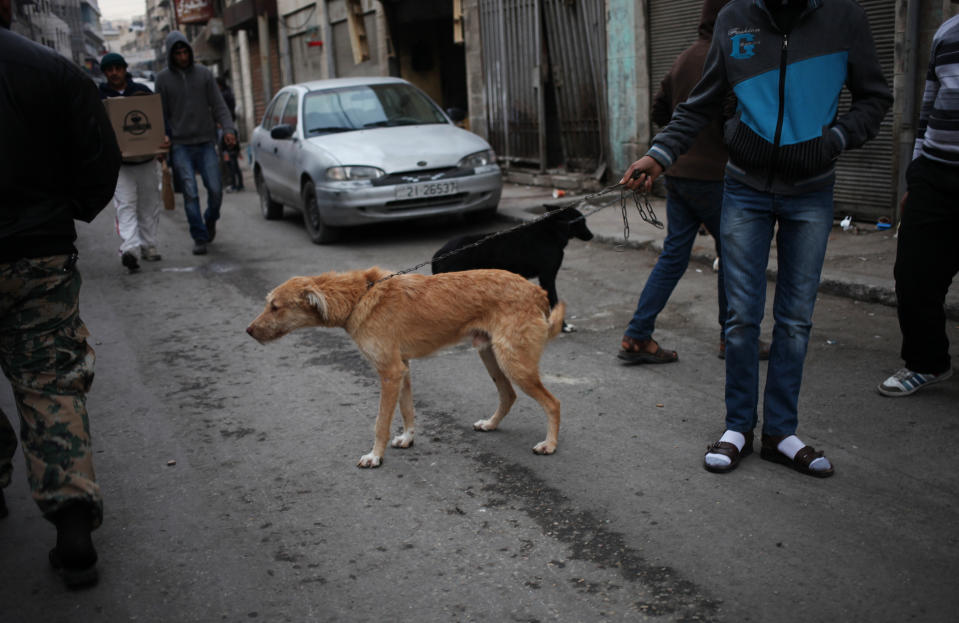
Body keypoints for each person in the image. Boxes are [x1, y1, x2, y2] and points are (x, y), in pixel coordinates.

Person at [622, 0, 892, 477]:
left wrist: (834, 140)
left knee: (794, 320)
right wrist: (659, 154)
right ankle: (738, 428)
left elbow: (874, 99)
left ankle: (780, 434)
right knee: (742, 318)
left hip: (810, 192)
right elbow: (700, 103)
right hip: (744, 188)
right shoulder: (735, 18)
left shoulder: (844, 17)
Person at [1, 0, 121, 587]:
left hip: (36, 240)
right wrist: (64, 214)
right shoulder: (54, 71)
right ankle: (72, 521)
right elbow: (101, 157)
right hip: (37, 255)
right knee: (50, 381)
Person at [619, 0, 772, 365]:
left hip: (678, 173)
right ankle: (729, 337)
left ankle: (638, 334)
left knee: (674, 255)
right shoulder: (734, 56)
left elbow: (660, 111)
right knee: (733, 257)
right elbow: (738, 120)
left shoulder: (683, 58)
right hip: (718, 177)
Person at [877, 14, 959, 397]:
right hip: (936, 173)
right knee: (914, 276)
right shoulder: (946, 32)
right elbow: (928, 109)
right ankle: (927, 363)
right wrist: (918, 173)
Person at [156, 31, 237, 255]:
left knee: (215, 189)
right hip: (180, 145)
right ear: (171, 55)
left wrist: (228, 129)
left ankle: (210, 219)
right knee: (190, 192)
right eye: (177, 53)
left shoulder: (204, 75)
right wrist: (162, 138)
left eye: (185, 52)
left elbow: (219, 105)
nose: (182, 57)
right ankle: (199, 236)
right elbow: (159, 115)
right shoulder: (162, 80)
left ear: (189, 52)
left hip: (205, 142)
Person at [99, 52, 167, 272]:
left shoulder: (142, 93)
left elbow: (157, 120)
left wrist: (163, 141)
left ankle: (149, 244)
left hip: (147, 160)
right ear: (105, 73)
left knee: (149, 204)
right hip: (121, 165)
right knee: (125, 205)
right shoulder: (100, 97)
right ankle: (130, 249)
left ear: (124, 69)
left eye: (118, 68)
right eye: (110, 69)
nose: (114, 73)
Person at [216, 75, 244, 193]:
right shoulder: (228, 94)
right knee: (233, 164)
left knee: (230, 163)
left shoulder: (222, 96)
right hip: (230, 127)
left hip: (226, 128)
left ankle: (232, 183)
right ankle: (237, 184)